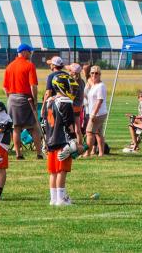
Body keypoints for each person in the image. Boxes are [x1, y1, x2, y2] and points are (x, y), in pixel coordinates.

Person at [43, 72, 82, 205]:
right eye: (69, 87)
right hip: (62, 140)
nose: (72, 90)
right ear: (62, 86)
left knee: (53, 172)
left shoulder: (50, 101)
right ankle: (61, 198)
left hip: (51, 140)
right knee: (62, 170)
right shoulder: (65, 102)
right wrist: (73, 140)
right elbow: (69, 125)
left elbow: (46, 122)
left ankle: (53, 198)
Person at [3, 43, 42, 160]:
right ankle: (39, 153)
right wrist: (34, 99)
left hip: (12, 99)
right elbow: (33, 85)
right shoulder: (29, 66)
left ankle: (18, 154)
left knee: (16, 128)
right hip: (25, 99)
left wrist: (10, 97)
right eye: (30, 52)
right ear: (25, 52)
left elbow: (5, 87)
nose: (30, 54)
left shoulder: (9, 66)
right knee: (34, 127)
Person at [84, 65, 108, 157]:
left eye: (96, 73)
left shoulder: (100, 86)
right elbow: (88, 79)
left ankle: (87, 153)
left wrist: (93, 114)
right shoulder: (94, 84)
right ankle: (101, 153)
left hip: (97, 114)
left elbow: (100, 101)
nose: (94, 75)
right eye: (92, 73)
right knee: (98, 133)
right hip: (97, 112)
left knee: (89, 132)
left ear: (100, 74)